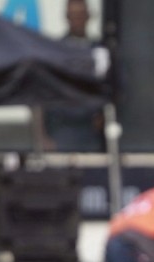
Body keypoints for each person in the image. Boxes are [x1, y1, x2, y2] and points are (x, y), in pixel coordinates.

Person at [43, 0, 105, 152]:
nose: (78, 20)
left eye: (81, 15)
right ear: (67, 17)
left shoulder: (100, 52)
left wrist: (103, 115)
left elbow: (115, 88)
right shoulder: (55, 52)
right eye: (74, 15)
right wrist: (43, 136)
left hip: (93, 132)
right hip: (62, 130)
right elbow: (40, 96)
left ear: (89, 17)